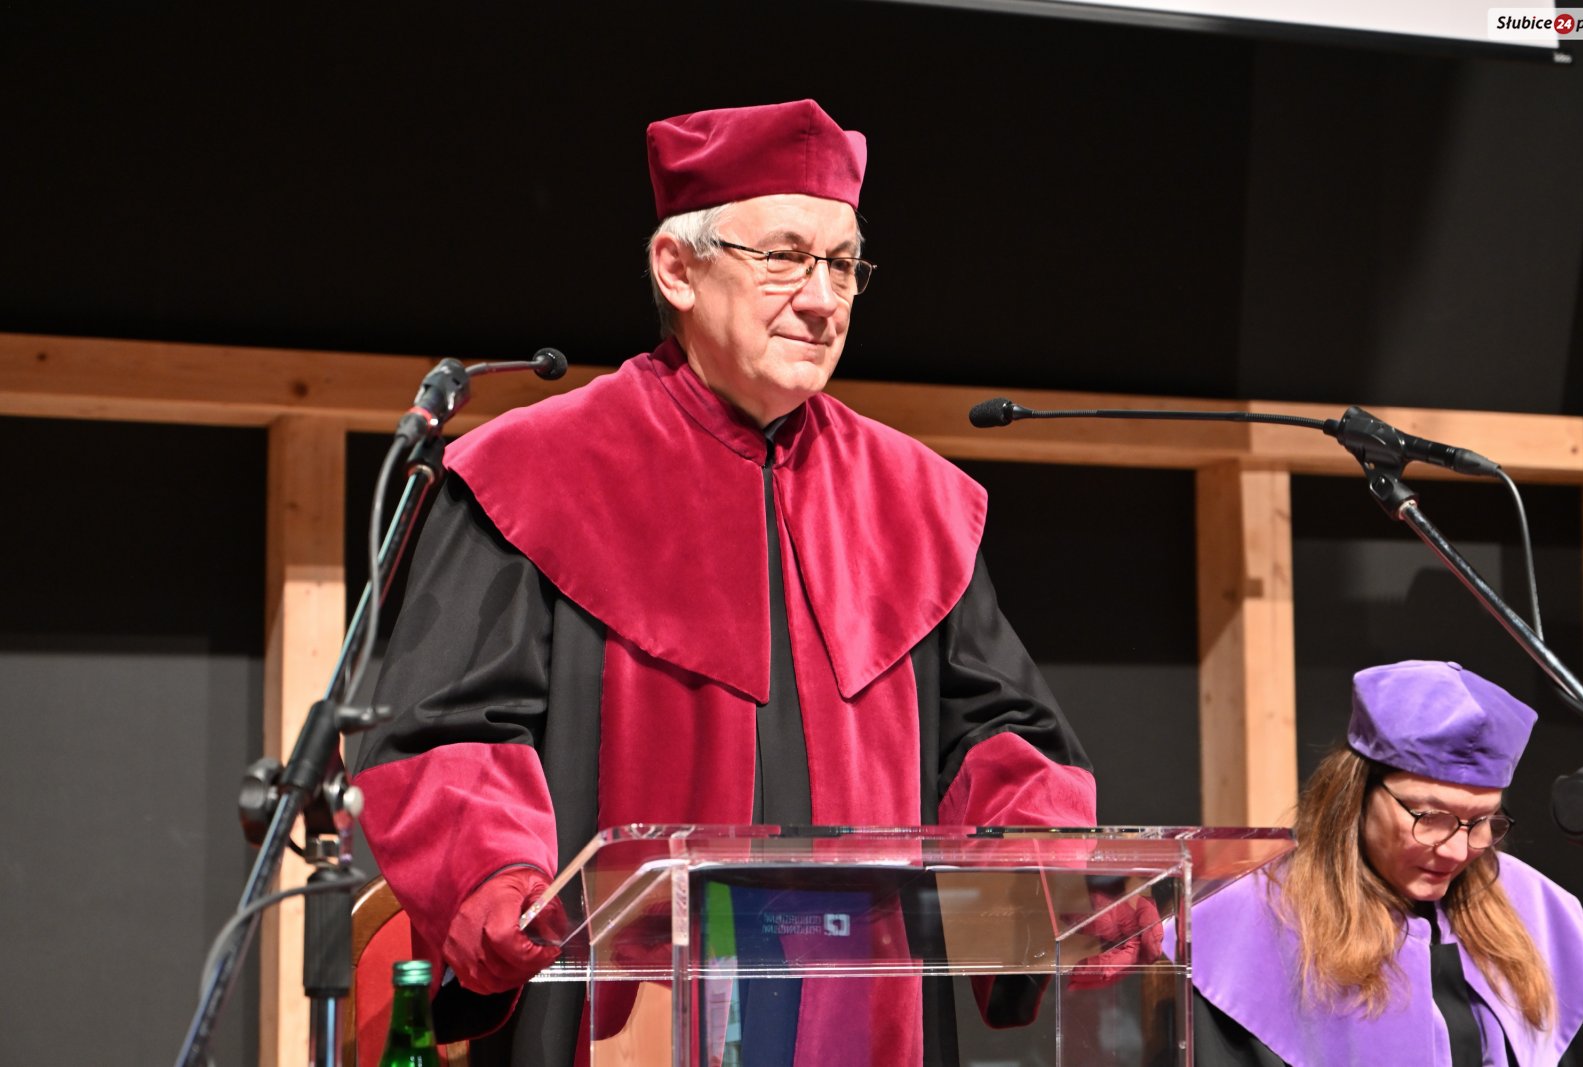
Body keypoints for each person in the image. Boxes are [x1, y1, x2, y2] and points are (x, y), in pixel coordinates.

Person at [351, 99, 1097, 1066]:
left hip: (868, 1013)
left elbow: (1001, 737)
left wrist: (1048, 862)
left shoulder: (917, 500)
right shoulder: (534, 475)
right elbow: (445, 736)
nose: (823, 299)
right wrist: (496, 878)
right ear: (677, 268)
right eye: (785, 256)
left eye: (843, 264)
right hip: (617, 1017)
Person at [1174, 660, 1583, 1065]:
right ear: (1356, 795)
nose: (1457, 851)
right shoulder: (1257, 920)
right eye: (1429, 817)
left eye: (1481, 821)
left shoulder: (1537, 911)